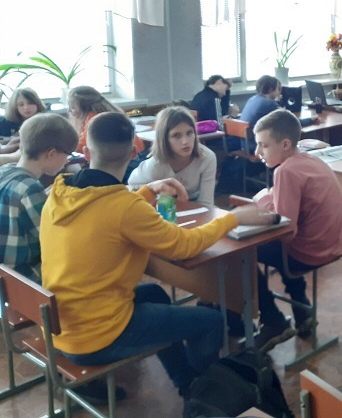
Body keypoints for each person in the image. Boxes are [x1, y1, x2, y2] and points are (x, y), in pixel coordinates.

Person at [39, 112, 267, 401]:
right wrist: (233, 218)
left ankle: (186, 381)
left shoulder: (59, 193)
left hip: (63, 325)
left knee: (157, 295)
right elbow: (184, 246)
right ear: (134, 151)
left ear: (86, 152)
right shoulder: (125, 208)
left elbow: (107, 209)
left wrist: (148, 190)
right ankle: (203, 391)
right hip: (96, 337)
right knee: (212, 322)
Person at [250, 109, 342, 350]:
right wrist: (272, 198)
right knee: (278, 246)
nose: (257, 152)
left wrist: (262, 199)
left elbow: (285, 229)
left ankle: (272, 319)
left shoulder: (285, 171)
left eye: (263, 145)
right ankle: (302, 312)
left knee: (241, 255)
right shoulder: (311, 160)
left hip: (310, 252)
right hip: (332, 244)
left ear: (285, 144)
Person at [0, 113, 78, 282]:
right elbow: (53, 238)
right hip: (24, 278)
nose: (67, 161)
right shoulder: (30, 188)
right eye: (68, 155)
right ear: (52, 154)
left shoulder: (5, 171)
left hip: (5, 274)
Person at [128, 106, 217, 207]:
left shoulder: (207, 158)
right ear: (164, 139)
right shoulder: (155, 165)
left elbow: (206, 203)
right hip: (165, 208)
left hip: (196, 205)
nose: (185, 141)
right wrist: (153, 189)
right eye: (176, 136)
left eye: (189, 133)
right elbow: (131, 185)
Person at [68, 85, 145, 160]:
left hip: (126, 160)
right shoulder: (109, 112)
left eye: (73, 108)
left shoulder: (93, 119)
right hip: (135, 154)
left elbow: (81, 147)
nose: (69, 111)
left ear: (84, 108)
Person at [240, 75, 319, 136]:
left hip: (246, 143)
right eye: (278, 88)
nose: (280, 91)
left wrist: (277, 100)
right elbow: (291, 122)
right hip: (259, 144)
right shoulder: (269, 104)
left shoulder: (253, 99)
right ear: (271, 89)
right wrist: (311, 119)